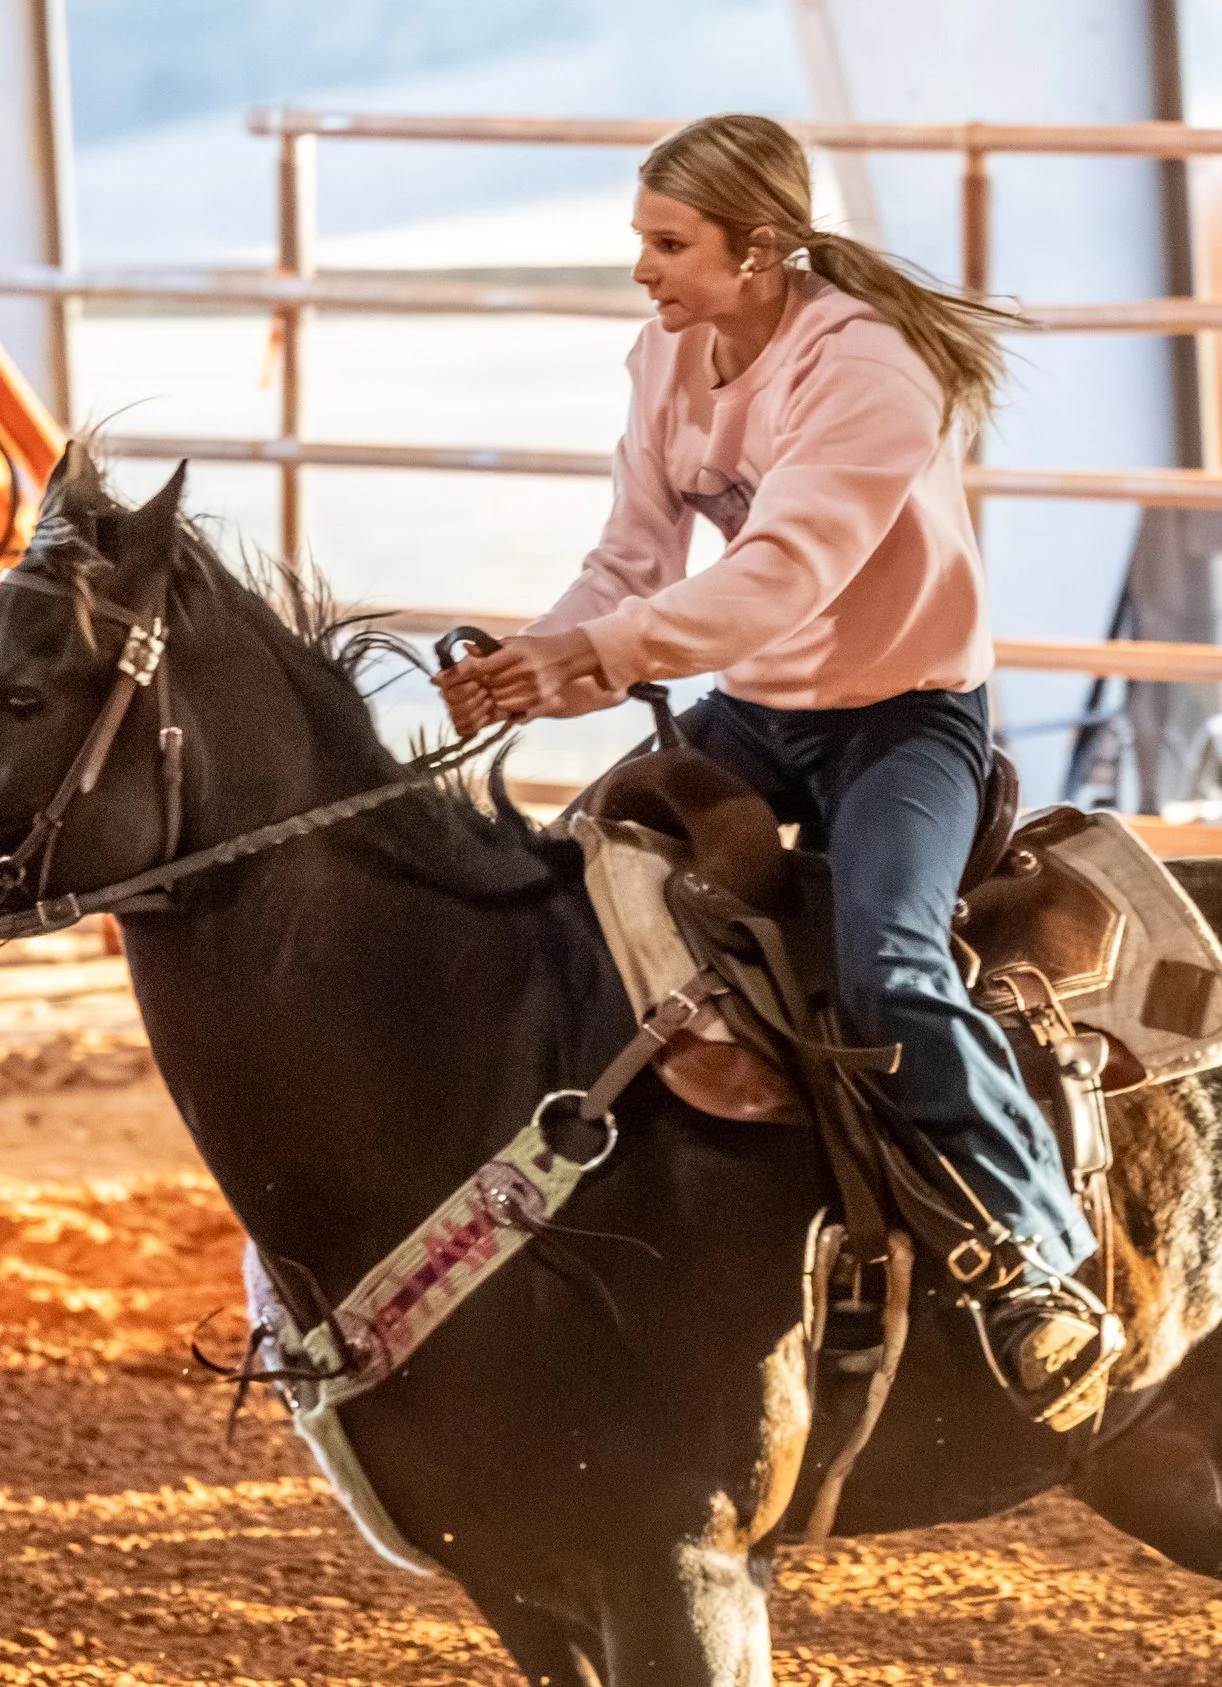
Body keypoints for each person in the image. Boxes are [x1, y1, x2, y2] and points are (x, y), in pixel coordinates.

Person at [433, 112, 1117, 1426]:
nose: (641, 268)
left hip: (903, 722)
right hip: (757, 708)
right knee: (573, 892)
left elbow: (779, 576)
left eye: (667, 242)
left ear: (763, 251)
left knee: (890, 965)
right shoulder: (666, 355)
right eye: (641, 238)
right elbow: (634, 558)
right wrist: (542, 658)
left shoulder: (866, 371)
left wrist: (592, 650)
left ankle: (1043, 1257)